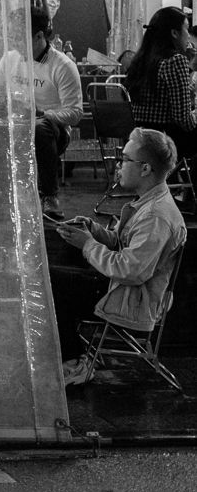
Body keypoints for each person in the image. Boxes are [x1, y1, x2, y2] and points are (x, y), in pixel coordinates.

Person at [56, 128, 186, 386]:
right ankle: (70, 353)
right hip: (125, 291)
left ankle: (75, 361)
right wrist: (93, 231)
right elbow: (123, 245)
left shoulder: (156, 217)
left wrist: (88, 245)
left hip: (131, 301)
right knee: (61, 269)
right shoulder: (149, 203)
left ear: (146, 168)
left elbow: (131, 270)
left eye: (125, 159)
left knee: (55, 285)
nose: (118, 165)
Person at [0, 4, 81, 218]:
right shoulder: (10, 59)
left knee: (39, 127)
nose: (15, 44)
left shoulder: (62, 66)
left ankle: (49, 195)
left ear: (39, 36)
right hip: (16, 123)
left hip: (54, 131)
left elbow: (74, 112)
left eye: (19, 38)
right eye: (13, 38)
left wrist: (43, 114)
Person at [125, 6, 197, 158]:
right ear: (174, 33)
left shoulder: (140, 60)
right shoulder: (176, 60)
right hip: (167, 140)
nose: (189, 37)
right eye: (186, 30)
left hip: (141, 137)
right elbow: (184, 120)